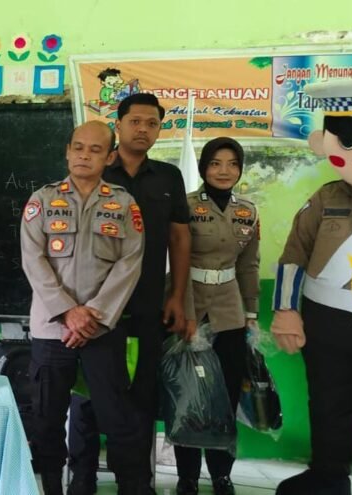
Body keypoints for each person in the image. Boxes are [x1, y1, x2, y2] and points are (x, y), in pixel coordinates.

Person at [68, 92, 193, 495]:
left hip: (145, 305)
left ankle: (135, 482)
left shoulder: (168, 177)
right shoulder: (95, 168)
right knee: (87, 393)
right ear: (118, 125)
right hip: (94, 307)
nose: (143, 129)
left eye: (152, 123)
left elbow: (179, 237)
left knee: (140, 394)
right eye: (135, 121)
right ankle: (82, 478)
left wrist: (176, 295)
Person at [21, 121, 146, 495]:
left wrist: (94, 315)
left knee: (117, 418)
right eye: (78, 147)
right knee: (46, 420)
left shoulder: (123, 203)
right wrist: (67, 312)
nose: (84, 155)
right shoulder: (42, 200)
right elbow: (33, 259)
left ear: (109, 157)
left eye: (95, 150)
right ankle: (52, 488)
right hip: (52, 329)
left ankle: (130, 487)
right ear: (67, 151)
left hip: (101, 329)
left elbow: (130, 261)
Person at [271, 75, 352, 495]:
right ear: (325, 144)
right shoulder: (325, 197)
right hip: (326, 324)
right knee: (329, 402)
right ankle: (327, 475)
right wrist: (286, 310)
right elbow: (293, 254)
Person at [173, 137, 259, 495]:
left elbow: (249, 265)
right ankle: (187, 476)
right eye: (215, 163)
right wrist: (182, 311)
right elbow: (173, 258)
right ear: (203, 167)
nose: (224, 171)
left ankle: (222, 473)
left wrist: (251, 313)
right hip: (189, 306)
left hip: (229, 312)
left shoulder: (248, 211)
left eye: (233, 164)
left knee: (226, 395)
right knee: (188, 396)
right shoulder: (185, 205)